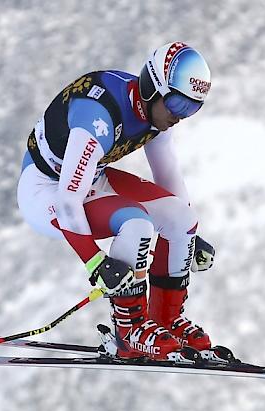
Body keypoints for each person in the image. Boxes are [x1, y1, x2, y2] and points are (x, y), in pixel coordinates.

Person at [17, 42, 216, 361]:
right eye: (178, 104)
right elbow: (69, 199)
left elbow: (169, 177)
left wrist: (188, 241)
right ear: (154, 88)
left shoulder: (157, 114)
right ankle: (130, 332)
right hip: (46, 189)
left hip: (90, 177)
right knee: (136, 223)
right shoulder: (100, 116)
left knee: (182, 220)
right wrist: (95, 262)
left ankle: (166, 321)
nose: (180, 116)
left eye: (191, 109)